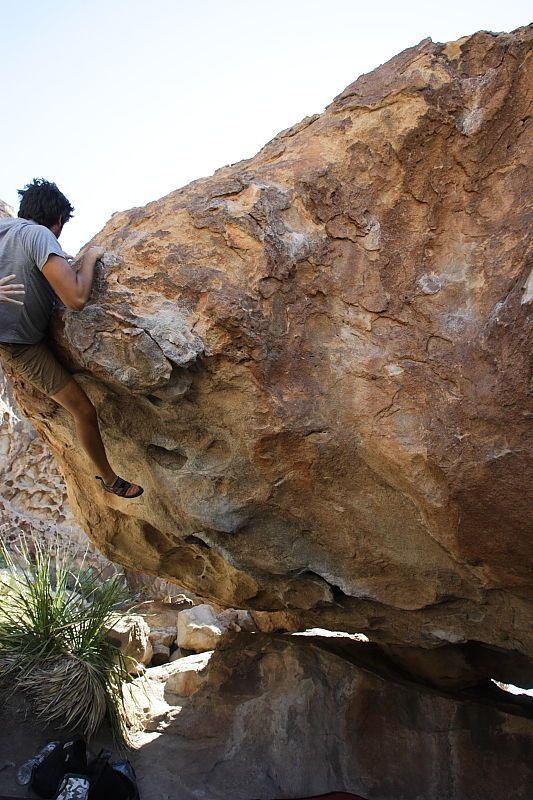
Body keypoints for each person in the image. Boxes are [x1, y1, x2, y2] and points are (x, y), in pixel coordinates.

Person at [0, 178, 143, 499]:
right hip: (20, 346)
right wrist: (90, 258)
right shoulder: (39, 235)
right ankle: (110, 479)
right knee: (83, 410)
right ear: (58, 222)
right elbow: (75, 299)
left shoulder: (6, 229)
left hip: (16, 336)